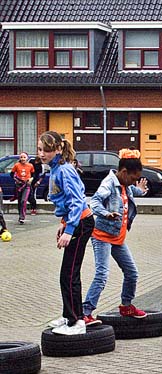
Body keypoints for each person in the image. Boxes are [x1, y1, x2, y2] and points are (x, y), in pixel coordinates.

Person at [81, 149, 149, 326]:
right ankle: (85, 312)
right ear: (124, 172)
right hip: (102, 236)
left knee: (132, 272)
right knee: (102, 274)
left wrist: (140, 190)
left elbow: (131, 191)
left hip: (118, 237)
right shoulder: (108, 184)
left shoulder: (125, 184)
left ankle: (126, 306)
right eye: (134, 178)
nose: (134, 182)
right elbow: (94, 201)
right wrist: (105, 213)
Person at [40, 131, 94, 335]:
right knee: (68, 274)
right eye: (40, 149)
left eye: (47, 149)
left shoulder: (64, 170)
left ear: (58, 150)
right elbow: (66, 203)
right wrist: (64, 223)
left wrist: (70, 230)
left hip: (81, 223)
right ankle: (69, 315)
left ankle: (77, 322)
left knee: (69, 274)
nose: (42, 153)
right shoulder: (55, 169)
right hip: (74, 222)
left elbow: (77, 202)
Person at [11, 152, 34, 224]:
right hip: (19, 185)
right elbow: (12, 174)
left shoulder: (30, 165)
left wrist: (31, 179)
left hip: (26, 185)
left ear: (27, 158)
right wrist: (16, 180)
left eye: (24, 157)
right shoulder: (17, 165)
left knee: (23, 201)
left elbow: (34, 175)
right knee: (20, 201)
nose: (23, 159)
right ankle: (20, 215)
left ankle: (22, 217)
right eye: (21, 157)